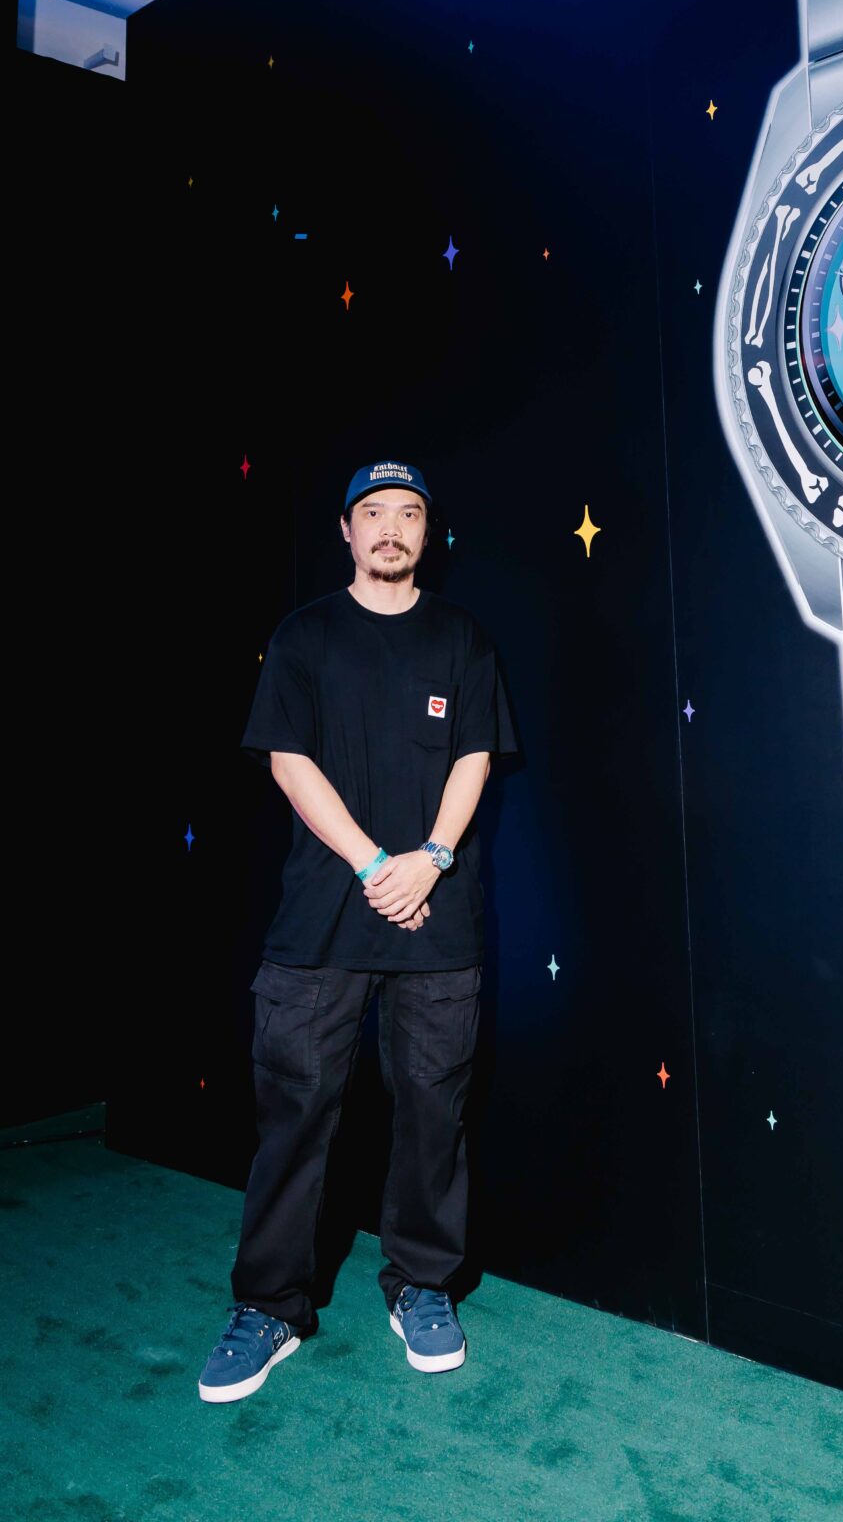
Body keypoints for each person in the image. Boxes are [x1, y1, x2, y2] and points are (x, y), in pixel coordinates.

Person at [198, 458, 517, 1403]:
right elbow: (287, 763)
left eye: (408, 513)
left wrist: (431, 858)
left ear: (427, 532)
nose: (390, 528)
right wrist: (378, 865)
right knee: (294, 1115)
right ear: (345, 530)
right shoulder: (303, 637)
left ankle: (422, 1285)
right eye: (372, 512)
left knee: (432, 1114)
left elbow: (474, 757)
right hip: (321, 920)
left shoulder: (462, 637)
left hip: (436, 918)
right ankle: (269, 1306)